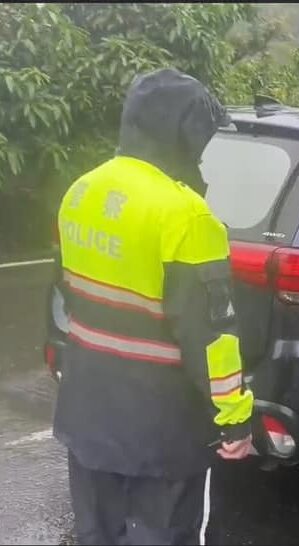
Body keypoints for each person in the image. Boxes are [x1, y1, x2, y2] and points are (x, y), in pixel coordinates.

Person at [51, 67, 254, 545]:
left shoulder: (80, 191)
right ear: (187, 133)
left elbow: (62, 300)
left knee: (95, 535)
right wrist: (235, 420)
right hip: (162, 428)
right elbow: (212, 339)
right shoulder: (186, 216)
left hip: (87, 411)